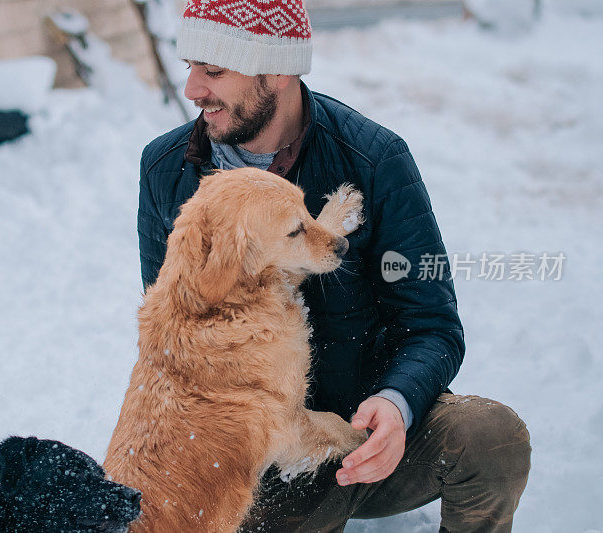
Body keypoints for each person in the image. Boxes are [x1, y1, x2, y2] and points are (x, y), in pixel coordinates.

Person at [136, 1, 531, 531]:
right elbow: (171, 333)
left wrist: (395, 405)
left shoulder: (373, 158)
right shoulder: (168, 171)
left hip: (369, 429)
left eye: (213, 71)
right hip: (261, 462)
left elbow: (432, 323)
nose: (192, 91)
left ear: (275, 70)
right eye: (191, 69)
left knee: (490, 438)